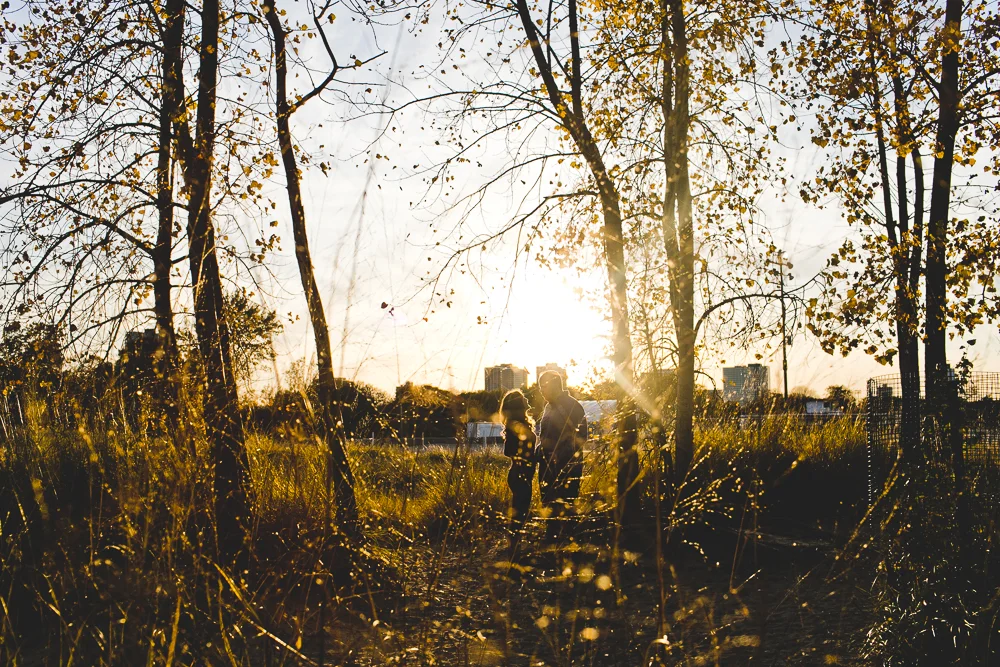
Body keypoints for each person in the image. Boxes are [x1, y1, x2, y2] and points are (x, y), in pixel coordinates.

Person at [534, 371, 587, 540]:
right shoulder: (547, 407)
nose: (541, 390)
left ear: (555, 385)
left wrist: (561, 456)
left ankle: (569, 539)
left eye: (543, 386)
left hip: (567, 465)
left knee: (566, 500)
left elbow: (582, 436)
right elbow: (545, 436)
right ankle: (551, 535)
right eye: (540, 387)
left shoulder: (573, 406)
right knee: (548, 499)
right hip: (546, 464)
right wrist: (538, 452)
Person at [499, 389, 536, 554]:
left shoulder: (519, 424)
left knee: (520, 511)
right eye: (523, 398)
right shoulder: (516, 426)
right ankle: (513, 548)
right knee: (520, 512)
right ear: (518, 405)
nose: (527, 399)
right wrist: (531, 457)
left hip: (521, 474)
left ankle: (514, 545)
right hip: (519, 474)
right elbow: (508, 451)